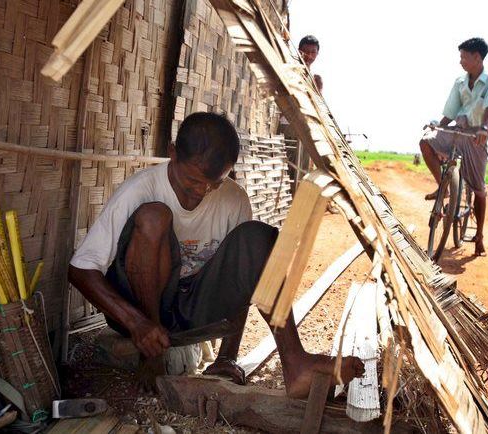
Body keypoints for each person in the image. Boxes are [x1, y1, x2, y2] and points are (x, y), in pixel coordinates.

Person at [68, 112, 364, 397]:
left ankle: (296, 363)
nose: (203, 191)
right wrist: (137, 323)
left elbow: (243, 283)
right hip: (138, 313)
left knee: (259, 237)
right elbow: (80, 269)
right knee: (154, 217)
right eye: (194, 180)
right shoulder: (141, 189)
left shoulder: (233, 200)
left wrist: (226, 358)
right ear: (172, 152)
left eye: (216, 183)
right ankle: (151, 351)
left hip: (191, 314)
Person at [419, 37, 488, 257]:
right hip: (458, 130)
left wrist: (484, 128)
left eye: (464, 57)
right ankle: (444, 187)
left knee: (478, 189)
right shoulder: (459, 82)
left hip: (477, 136)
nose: (461, 61)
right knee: (426, 141)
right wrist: (438, 128)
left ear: (477, 57)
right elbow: (450, 111)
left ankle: (479, 236)